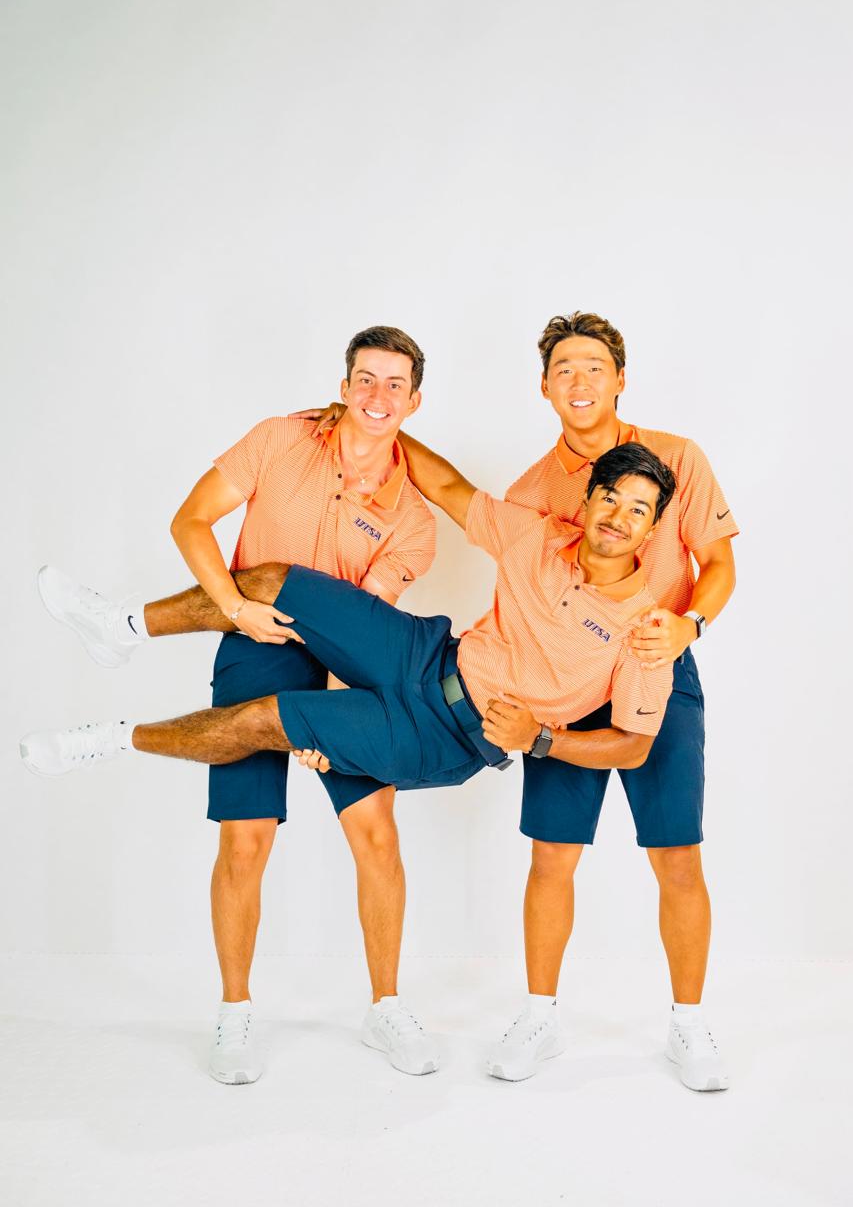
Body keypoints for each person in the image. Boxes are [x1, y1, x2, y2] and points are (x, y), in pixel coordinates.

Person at [22, 443, 678, 1072]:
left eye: (637, 510)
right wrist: (378, 421)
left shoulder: (645, 630)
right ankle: (122, 626)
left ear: (650, 532)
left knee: (261, 722)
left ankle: (111, 738)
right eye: (610, 498)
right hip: (426, 653)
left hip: (444, 736)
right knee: (275, 581)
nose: (617, 517)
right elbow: (448, 487)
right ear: (589, 500)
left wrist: (541, 739)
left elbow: (635, 742)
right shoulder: (538, 537)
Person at [32, 325, 443, 1085]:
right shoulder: (280, 438)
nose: (377, 396)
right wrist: (235, 605)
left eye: (393, 384)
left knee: (376, 837)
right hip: (252, 642)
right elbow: (190, 521)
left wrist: (329, 726)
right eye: (365, 378)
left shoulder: (413, 522)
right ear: (344, 383)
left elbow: (366, 634)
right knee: (245, 839)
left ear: (413, 401)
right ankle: (233, 1013)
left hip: (341, 669)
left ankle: (384, 1005)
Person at [484, 310, 738, 1092]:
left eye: (594, 367)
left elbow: (719, 561)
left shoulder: (678, 457)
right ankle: (539, 1016)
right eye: (564, 369)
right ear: (544, 386)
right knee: (551, 856)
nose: (580, 382)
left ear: (620, 379)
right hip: (565, 685)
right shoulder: (532, 488)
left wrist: (688, 626)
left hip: (658, 671)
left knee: (676, 856)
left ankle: (688, 1025)